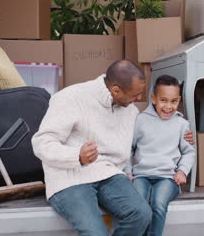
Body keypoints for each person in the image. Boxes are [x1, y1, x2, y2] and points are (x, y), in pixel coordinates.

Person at [32, 60, 194, 236]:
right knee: (96, 233)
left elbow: (148, 136)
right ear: (116, 91)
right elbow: (42, 142)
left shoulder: (130, 111)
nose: (139, 99)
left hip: (108, 173)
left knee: (141, 214)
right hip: (69, 178)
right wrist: (76, 156)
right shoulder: (70, 98)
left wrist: (181, 134)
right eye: (135, 95)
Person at [125, 75, 196, 236]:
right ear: (153, 99)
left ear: (179, 100)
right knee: (140, 206)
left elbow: (189, 151)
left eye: (174, 101)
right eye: (163, 100)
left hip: (167, 177)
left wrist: (182, 171)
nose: (168, 106)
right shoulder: (140, 120)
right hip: (141, 175)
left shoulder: (181, 124)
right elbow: (129, 148)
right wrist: (127, 171)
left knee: (158, 203)